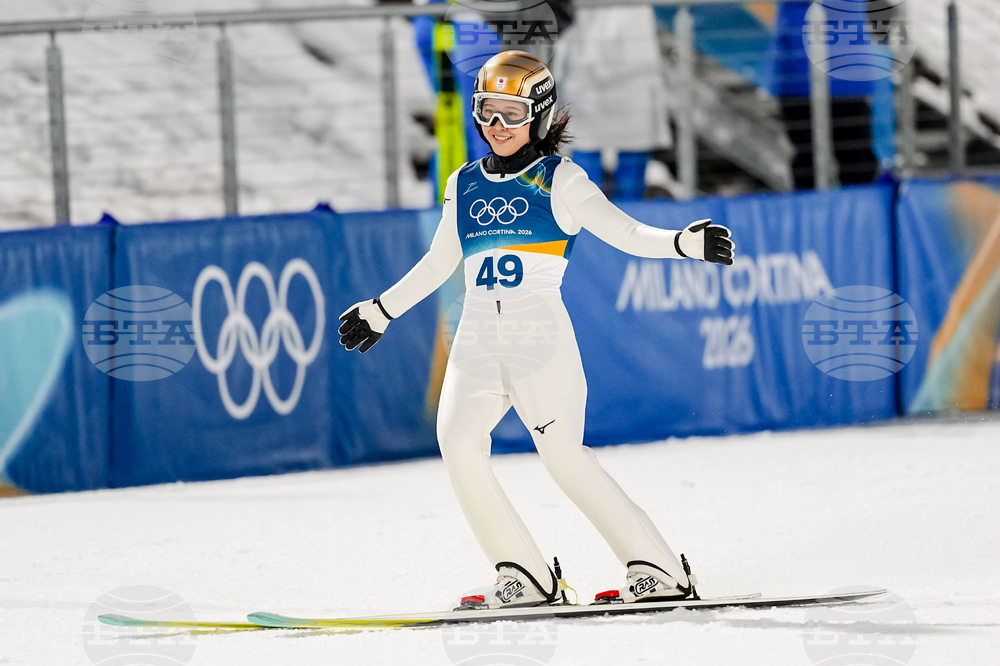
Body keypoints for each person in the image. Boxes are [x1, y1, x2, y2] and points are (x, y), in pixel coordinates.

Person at [338, 51, 734, 610]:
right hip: (475, 335)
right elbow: (438, 261)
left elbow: (623, 232)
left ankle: (662, 570)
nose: (497, 127)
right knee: (456, 444)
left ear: (541, 115)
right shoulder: (463, 183)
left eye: (512, 113)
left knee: (563, 458)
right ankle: (522, 572)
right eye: (487, 112)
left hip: (537, 337)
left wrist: (680, 243)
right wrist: (382, 310)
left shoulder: (562, 180)